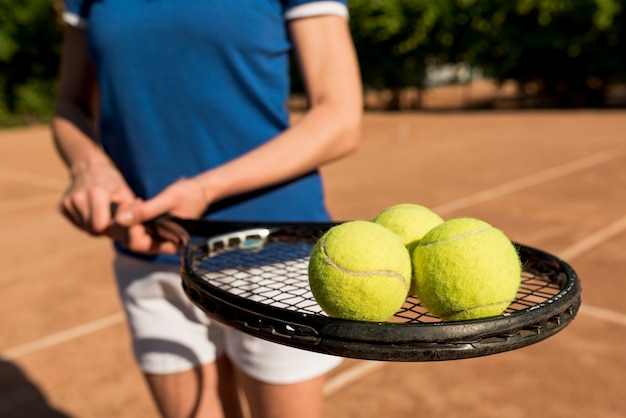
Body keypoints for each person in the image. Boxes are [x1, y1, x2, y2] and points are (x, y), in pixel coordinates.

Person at [51, 1, 362, 417]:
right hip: (153, 256)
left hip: (273, 253)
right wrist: (91, 168)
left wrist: (206, 188)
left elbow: (339, 117)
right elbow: (69, 104)